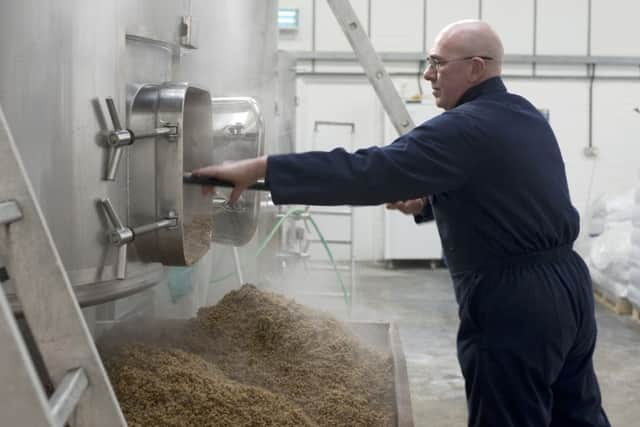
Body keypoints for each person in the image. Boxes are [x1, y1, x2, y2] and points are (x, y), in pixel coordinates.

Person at [194, 20, 610, 427]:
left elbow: (368, 171)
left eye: (438, 63)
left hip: (515, 301)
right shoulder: (523, 114)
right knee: (576, 413)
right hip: (569, 288)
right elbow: (511, 190)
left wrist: (264, 168)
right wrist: (429, 201)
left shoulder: (462, 128)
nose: (428, 74)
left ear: (476, 67)